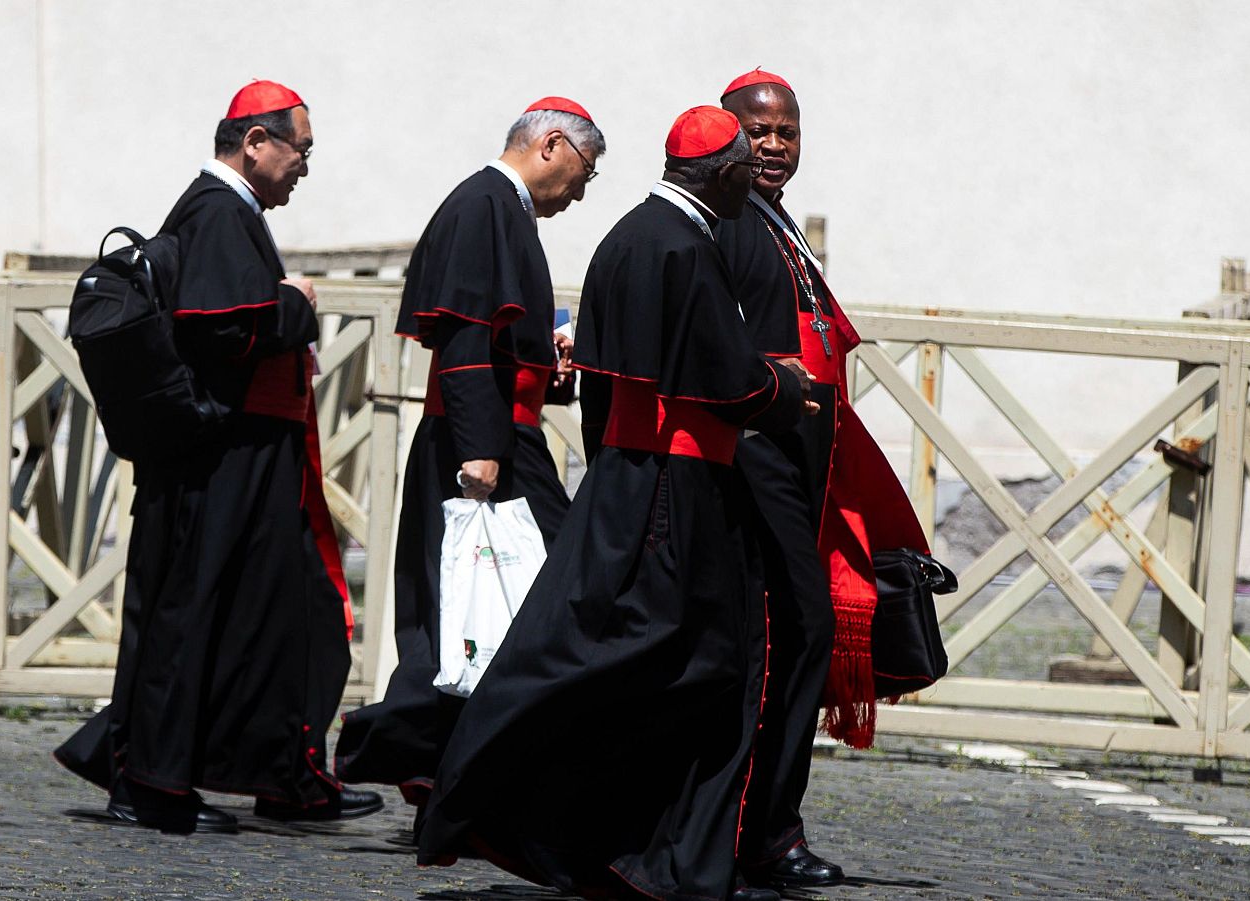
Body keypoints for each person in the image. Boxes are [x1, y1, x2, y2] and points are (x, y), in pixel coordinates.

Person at [414, 106, 812, 901]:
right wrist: (783, 386)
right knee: (693, 668)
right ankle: (656, 858)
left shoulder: (626, 237)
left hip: (630, 477)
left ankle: (614, 843)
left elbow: (603, 379)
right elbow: (728, 380)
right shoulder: (686, 248)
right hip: (683, 485)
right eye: (743, 169)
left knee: (618, 657)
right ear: (722, 173)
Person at [54, 80, 382, 833]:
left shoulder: (230, 211)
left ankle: (281, 772)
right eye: (299, 149)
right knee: (193, 611)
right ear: (255, 142)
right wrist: (296, 301)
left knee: (273, 613)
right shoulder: (219, 209)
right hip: (222, 455)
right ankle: (154, 784)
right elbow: (221, 326)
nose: (304, 165)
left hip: (249, 452)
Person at [333, 97, 603, 808]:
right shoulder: (485, 202)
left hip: (495, 435)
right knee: (502, 597)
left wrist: (548, 360)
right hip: (483, 444)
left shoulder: (499, 206)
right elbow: (461, 336)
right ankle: (416, 749)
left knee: (477, 603)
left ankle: (445, 760)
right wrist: (481, 450)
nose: (582, 189)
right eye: (584, 169)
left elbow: (501, 335)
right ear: (551, 145)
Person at [714, 68, 929, 887]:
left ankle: (770, 829)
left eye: (787, 133)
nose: (773, 146)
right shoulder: (728, 222)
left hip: (801, 472)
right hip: (759, 471)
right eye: (758, 132)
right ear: (725, 132)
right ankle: (753, 832)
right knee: (786, 640)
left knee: (797, 642)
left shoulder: (774, 219)